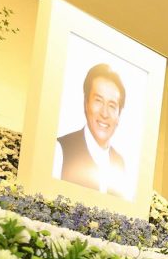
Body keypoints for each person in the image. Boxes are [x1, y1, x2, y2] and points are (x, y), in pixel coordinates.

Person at [53, 63, 131, 199]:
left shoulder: (120, 163)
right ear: (86, 103)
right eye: (98, 101)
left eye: (112, 106)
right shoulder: (60, 149)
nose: (104, 113)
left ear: (119, 115)